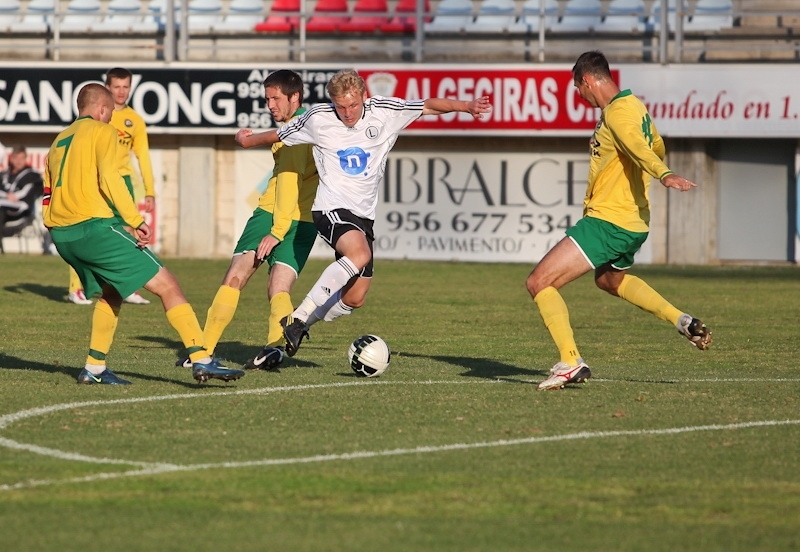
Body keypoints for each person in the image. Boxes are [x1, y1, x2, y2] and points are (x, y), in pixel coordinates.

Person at [235, 69, 492, 357]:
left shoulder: (384, 111)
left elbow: (428, 105)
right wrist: (247, 140)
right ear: (333, 102)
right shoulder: (319, 118)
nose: (347, 113)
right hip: (330, 209)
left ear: (364, 97)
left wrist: (466, 107)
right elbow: (279, 133)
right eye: (341, 106)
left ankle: (301, 323)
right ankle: (298, 318)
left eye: (353, 105)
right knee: (359, 255)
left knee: (355, 298)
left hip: (363, 216)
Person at [527, 50, 712, 391]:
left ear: (587, 80)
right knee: (609, 282)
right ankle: (681, 320)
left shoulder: (617, 113)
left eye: (577, 88)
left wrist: (664, 174)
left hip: (609, 220)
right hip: (634, 222)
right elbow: (654, 144)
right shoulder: (635, 107)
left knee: (540, 282)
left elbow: (642, 151)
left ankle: (570, 361)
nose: (578, 95)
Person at [43, 83, 245, 385]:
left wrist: (58, 225)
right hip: (93, 229)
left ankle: (94, 368)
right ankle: (202, 359)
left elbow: (47, 192)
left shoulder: (58, 141)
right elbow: (111, 178)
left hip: (62, 234)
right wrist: (135, 219)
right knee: (168, 284)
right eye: (110, 111)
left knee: (112, 292)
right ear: (101, 109)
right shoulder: (104, 131)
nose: (111, 117)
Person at [177, 69, 319, 371]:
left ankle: (204, 349)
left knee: (235, 277)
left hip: (274, 215)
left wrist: (276, 231)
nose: (270, 105)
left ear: (295, 97)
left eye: (276, 98)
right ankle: (275, 348)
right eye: (267, 98)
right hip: (306, 220)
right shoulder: (314, 125)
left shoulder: (294, 133)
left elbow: (289, 183)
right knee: (278, 288)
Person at [65, 67, 155, 305]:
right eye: (116, 86)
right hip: (96, 180)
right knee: (86, 230)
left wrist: (150, 191)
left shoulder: (134, 120)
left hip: (122, 180)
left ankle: (130, 285)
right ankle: (78, 288)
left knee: (129, 233)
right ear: (107, 87)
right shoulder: (96, 116)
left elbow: (143, 156)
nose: (122, 91)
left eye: (126, 86)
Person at [0, 146, 43, 252]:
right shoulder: (4, 175)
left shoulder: (32, 175)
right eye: (16, 158)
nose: (19, 161)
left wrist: (14, 196)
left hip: (22, 211)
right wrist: (7, 196)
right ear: (11, 159)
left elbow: (28, 193)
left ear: (25, 159)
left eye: (21, 158)